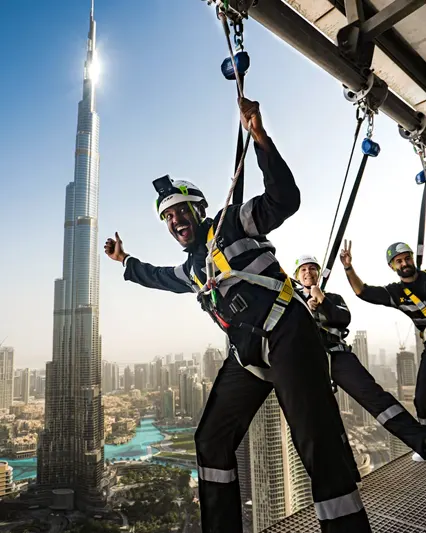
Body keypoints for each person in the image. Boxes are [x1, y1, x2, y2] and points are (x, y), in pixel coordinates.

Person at [105, 98, 372, 533]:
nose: (174, 222)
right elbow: (156, 276)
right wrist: (124, 261)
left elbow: (284, 200)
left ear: (197, 209)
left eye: (178, 212)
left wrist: (260, 139)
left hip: (288, 334)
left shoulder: (232, 222)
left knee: (317, 446)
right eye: (167, 218)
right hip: (248, 356)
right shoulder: (193, 270)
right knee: (210, 439)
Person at [294, 254, 426, 464]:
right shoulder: (293, 301)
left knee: (375, 398)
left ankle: (422, 443)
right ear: (297, 276)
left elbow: (342, 318)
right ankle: (344, 473)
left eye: (312, 268)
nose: (308, 272)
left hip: (337, 355)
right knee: (317, 416)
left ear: (318, 273)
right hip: (308, 361)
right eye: (303, 270)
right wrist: (305, 307)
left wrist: (322, 300)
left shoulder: (334, 298)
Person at [341, 239, 426, 462]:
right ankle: (425, 442)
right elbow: (363, 292)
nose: (404, 263)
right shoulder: (396, 293)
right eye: (398, 261)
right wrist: (348, 268)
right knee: (423, 399)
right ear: (392, 266)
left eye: (407, 258)